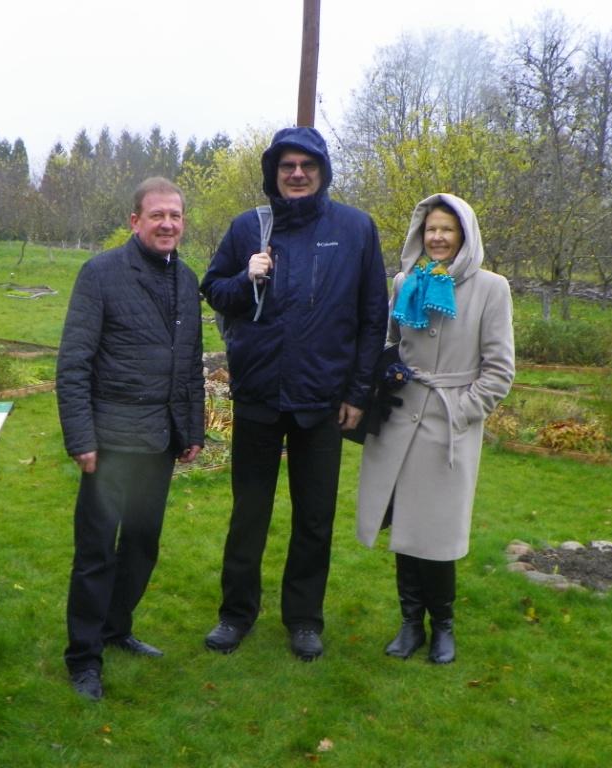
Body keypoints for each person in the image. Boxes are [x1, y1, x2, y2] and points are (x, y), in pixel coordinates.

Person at [200, 126, 388, 661]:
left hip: (323, 399)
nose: (298, 174)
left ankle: (304, 619)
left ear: (323, 171)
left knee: (314, 517)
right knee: (249, 513)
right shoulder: (248, 228)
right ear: (273, 173)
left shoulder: (355, 229)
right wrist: (246, 277)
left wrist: (358, 392)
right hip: (259, 394)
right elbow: (214, 290)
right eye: (287, 166)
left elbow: (372, 316)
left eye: (308, 165)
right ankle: (236, 614)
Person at [56, 177, 205, 700]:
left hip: (159, 442)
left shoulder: (186, 279)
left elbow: (190, 362)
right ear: (135, 220)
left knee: (142, 546)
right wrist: (81, 438)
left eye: (175, 216)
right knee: (96, 552)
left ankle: (116, 628)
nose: (167, 224)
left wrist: (192, 429)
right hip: (110, 444)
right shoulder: (100, 274)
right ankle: (83, 658)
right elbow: (73, 363)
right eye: (157, 215)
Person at [356, 193, 515, 664]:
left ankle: (442, 626)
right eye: (431, 229)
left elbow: (500, 370)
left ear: (464, 234)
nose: (438, 237)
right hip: (400, 421)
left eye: (447, 229)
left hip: (449, 426)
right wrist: (387, 369)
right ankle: (410, 624)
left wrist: (462, 411)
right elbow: (391, 340)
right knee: (405, 529)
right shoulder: (406, 281)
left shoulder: (491, 288)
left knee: (438, 533)